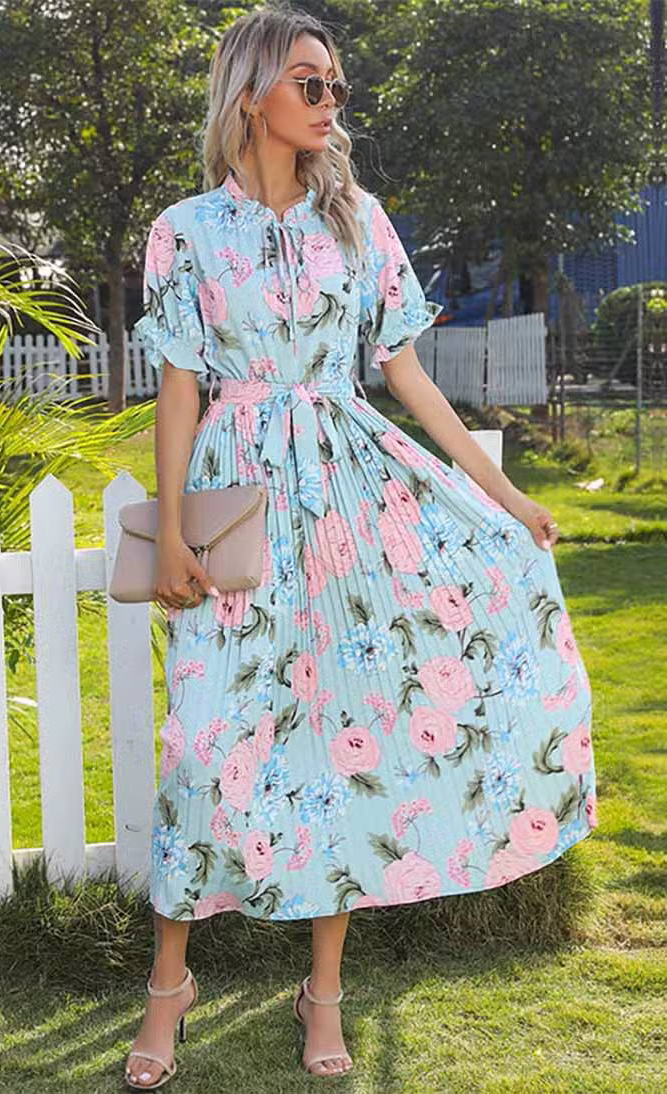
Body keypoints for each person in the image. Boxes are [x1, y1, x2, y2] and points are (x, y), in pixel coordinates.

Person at [125, 3, 597, 1088]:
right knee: (203, 738)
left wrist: (506, 494)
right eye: (310, 82)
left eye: (336, 84)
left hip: (346, 496)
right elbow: (179, 389)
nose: (329, 100)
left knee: (342, 732)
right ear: (251, 93)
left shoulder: (358, 218)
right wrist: (173, 529)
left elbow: (407, 376)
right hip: (240, 499)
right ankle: (168, 985)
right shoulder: (185, 229)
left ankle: (324, 991)